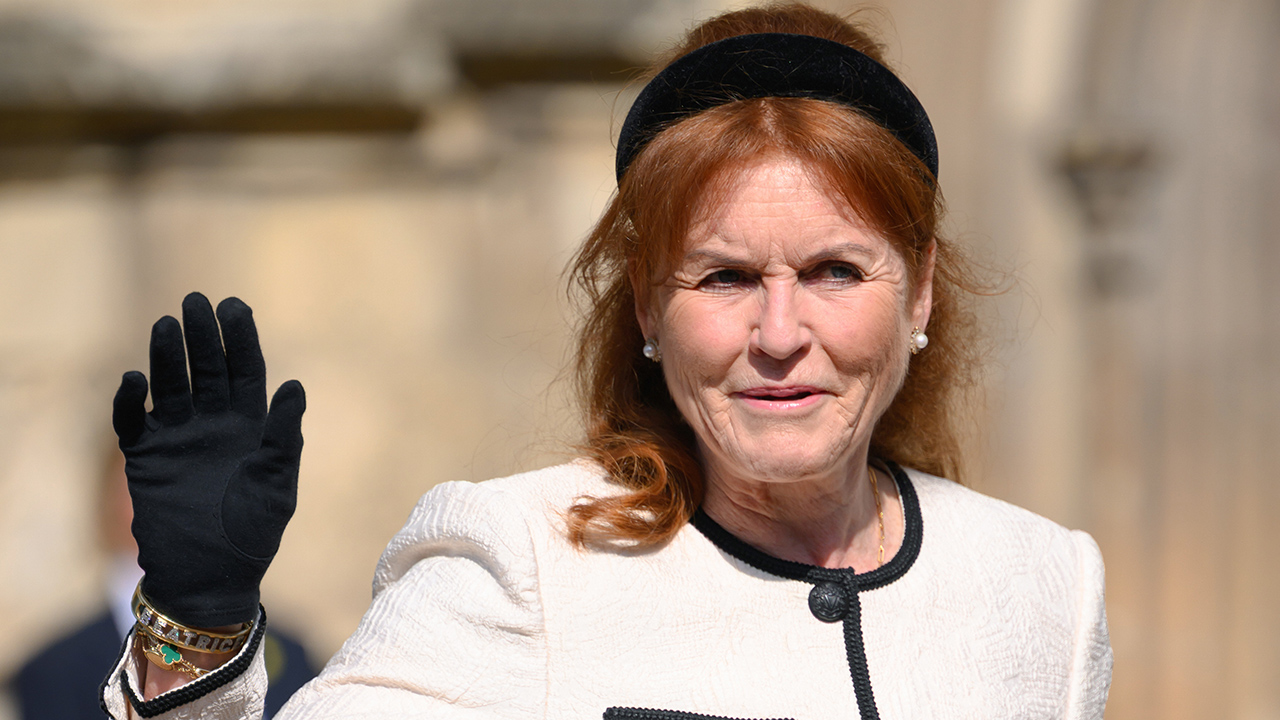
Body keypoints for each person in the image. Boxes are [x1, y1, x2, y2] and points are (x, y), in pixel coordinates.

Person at [99, 4, 1112, 719]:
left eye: (835, 270)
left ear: (921, 289)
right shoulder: (519, 564)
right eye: (720, 279)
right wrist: (197, 627)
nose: (777, 333)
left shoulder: (1043, 586)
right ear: (643, 305)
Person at [8, 447, 316, 720]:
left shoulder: (288, 658)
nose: (175, 503)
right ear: (109, 498)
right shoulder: (54, 672)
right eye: (153, 481)